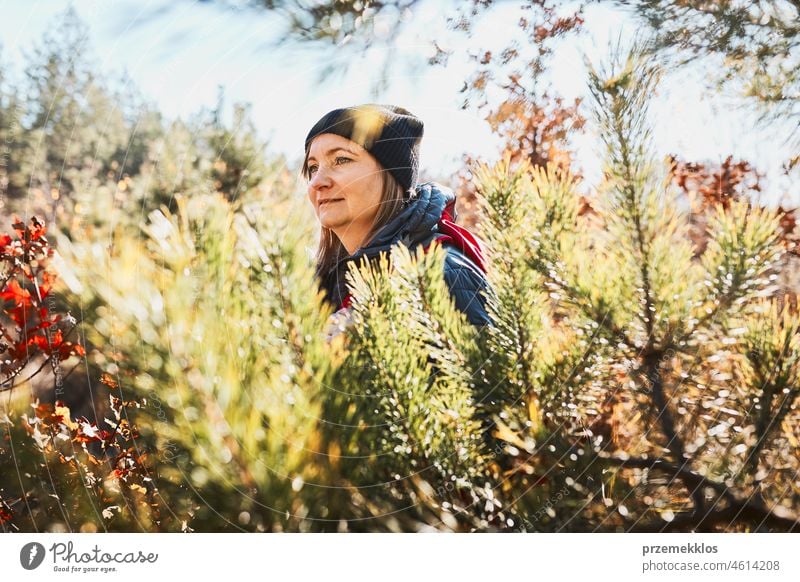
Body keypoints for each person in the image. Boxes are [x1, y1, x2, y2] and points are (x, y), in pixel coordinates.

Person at [302, 103, 492, 339]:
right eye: (312, 167)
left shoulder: (441, 273)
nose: (317, 182)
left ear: (390, 173)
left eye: (341, 160)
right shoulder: (326, 284)